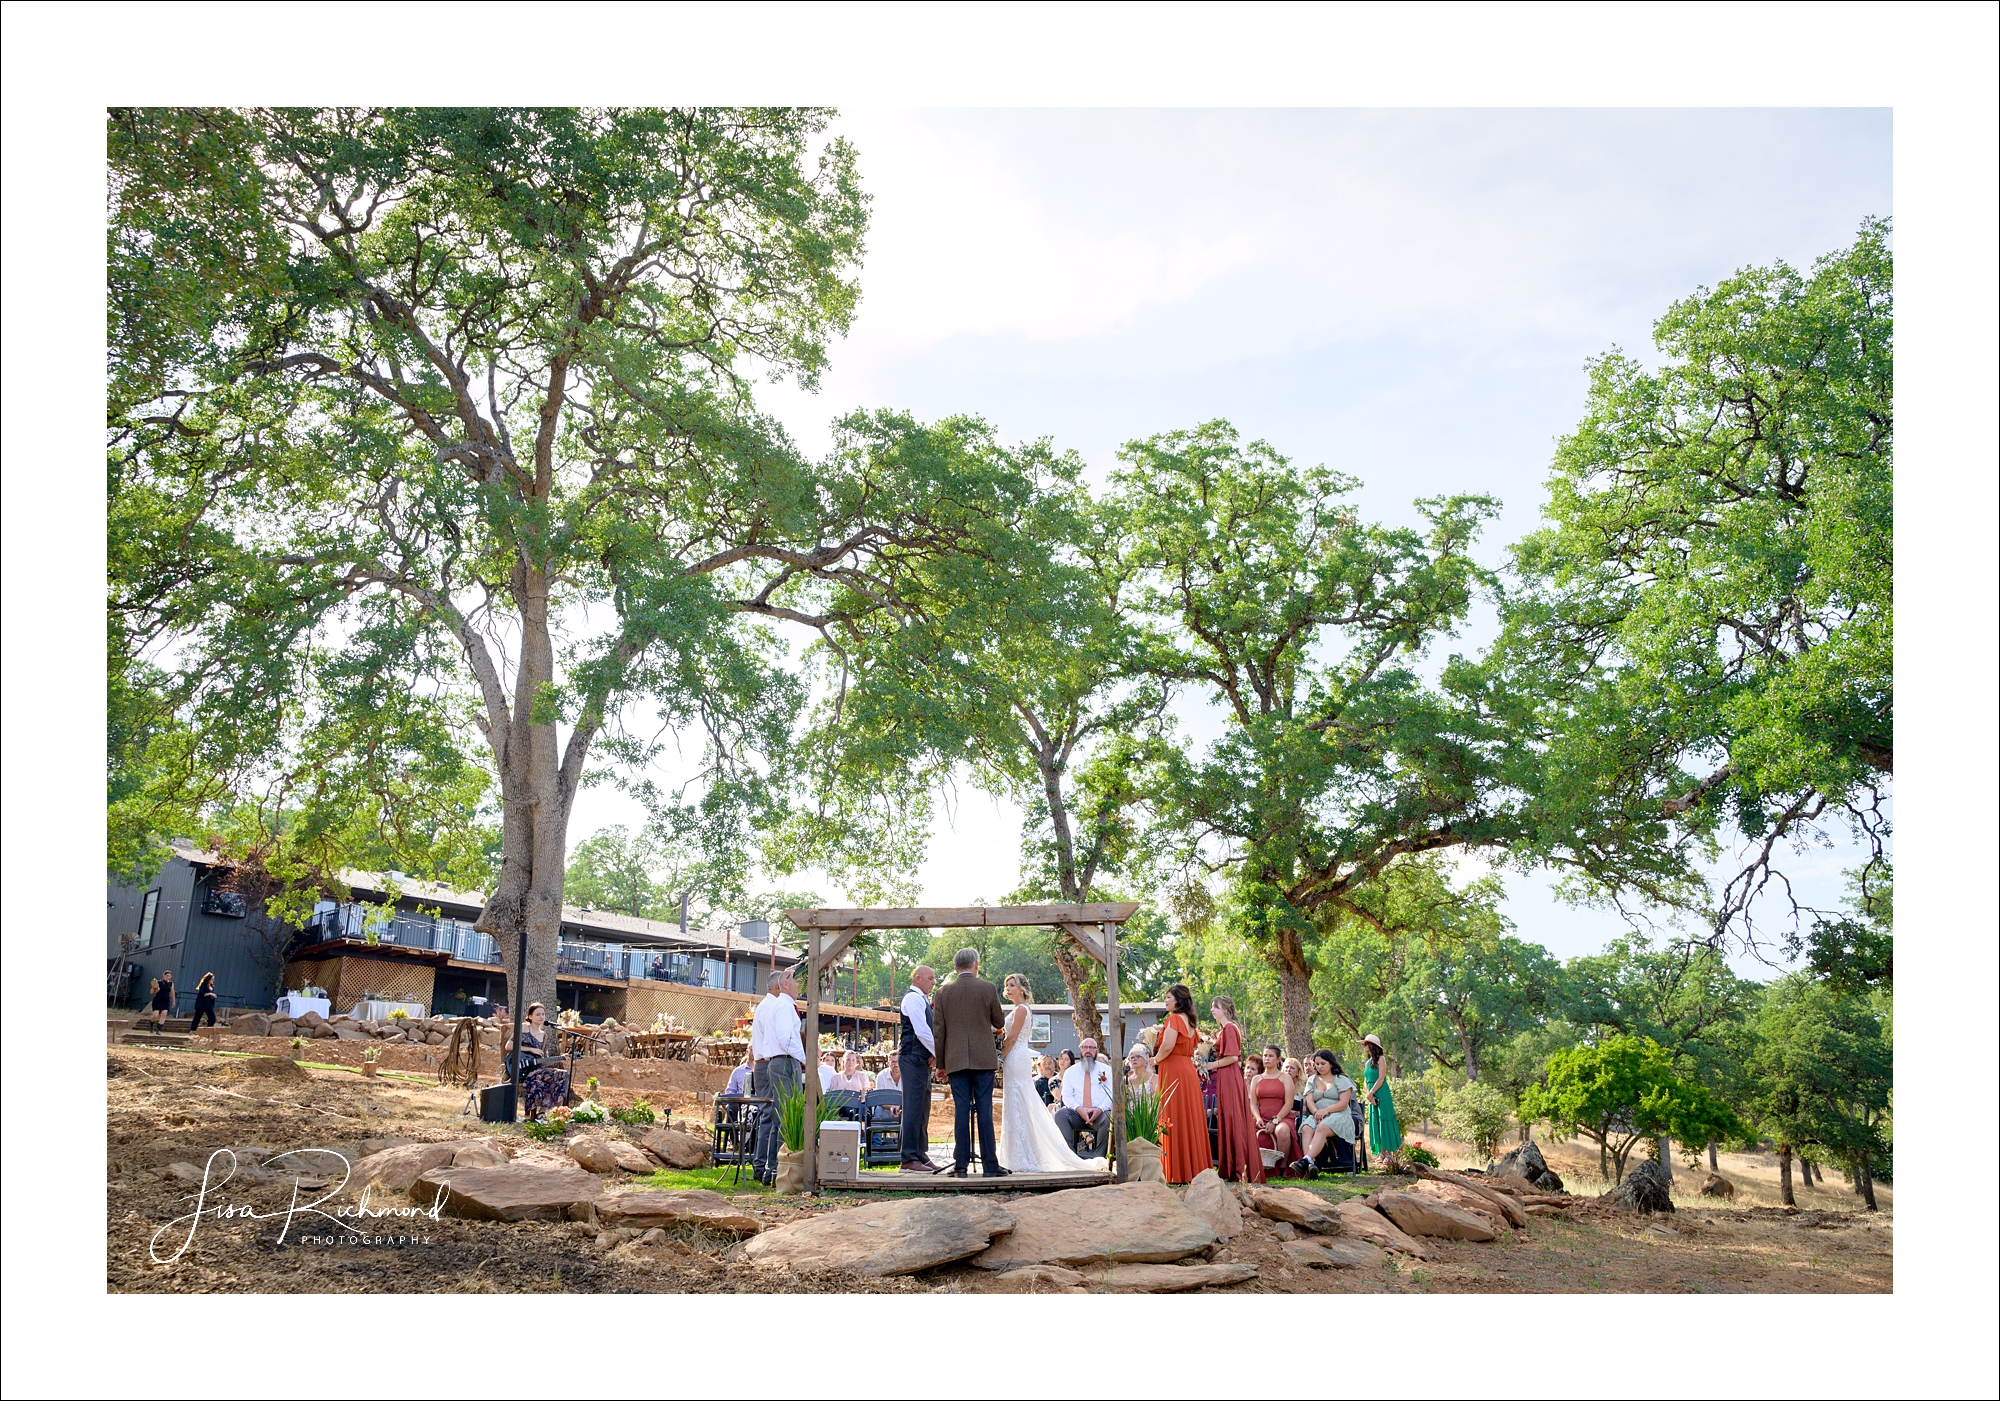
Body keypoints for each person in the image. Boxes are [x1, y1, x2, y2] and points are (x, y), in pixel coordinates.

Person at [997, 975, 1100, 1172]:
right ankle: (1020, 1152)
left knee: (1019, 1103)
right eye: (1006, 986)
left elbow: (1011, 1039)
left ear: (1022, 989)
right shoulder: (1021, 1009)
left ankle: (1024, 1155)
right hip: (1016, 1058)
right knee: (1017, 1104)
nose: (1008, 989)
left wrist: (998, 1058)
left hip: (1016, 1057)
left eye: (1012, 985)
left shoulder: (1020, 1009)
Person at [931, 947, 1009, 1178]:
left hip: (955, 1060)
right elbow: (998, 1020)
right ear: (975, 965)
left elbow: (939, 1031)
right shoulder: (988, 988)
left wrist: (941, 1064)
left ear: (955, 968)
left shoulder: (943, 993)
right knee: (985, 1109)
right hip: (983, 1059)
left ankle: (961, 1166)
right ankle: (990, 1166)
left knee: (961, 1111)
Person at [749, 965, 807, 1186]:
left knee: (779, 1117)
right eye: (796, 981)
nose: (799, 986)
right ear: (783, 985)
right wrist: (804, 1059)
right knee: (781, 1117)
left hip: (778, 1061)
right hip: (779, 1061)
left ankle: (772, 1168)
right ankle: (774, 1168)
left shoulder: (780, 1005)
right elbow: (786, 1039)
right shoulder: (780, 1006)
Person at [1152, 984, 1212, 1184]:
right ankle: (1192, 1168)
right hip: (1187, 1070)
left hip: (1174, 1070)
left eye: (1168, 997)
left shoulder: (1174, 1019)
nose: (1166, 1001)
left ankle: (1175, 1171)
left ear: (1178, 999)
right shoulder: (1190, 1022)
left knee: (1173, 1116)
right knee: (1188, 1117)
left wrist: (1155, 1060)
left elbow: (1168, 1046)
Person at [1206, 995, 1263, 1183]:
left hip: (1229, 1075)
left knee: (1232, 1118)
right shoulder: (1225, 1029)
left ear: (1226, 1009)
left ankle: (1239, 1168)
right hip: (1226, 1076)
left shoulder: (1230, 1028)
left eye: (1216, 1007)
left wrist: (1210, 1066)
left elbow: (1233, 1057)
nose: (1213, 1010)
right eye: (1212, 1007)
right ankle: (1230, 1165)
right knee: (1227, 1118)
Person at [896, 965, 939, 1173]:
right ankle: (908, 1158)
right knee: (912, 1106)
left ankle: (920, 1153)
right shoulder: (912, 999)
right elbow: (921, 1031)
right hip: (911, 1057)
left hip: (921, 1058)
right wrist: (939, 1054)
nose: (934, 982)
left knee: (923, 1106)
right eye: (930, 978)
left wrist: (931, 1054)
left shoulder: (922, 999)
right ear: (917, 978)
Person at [1294, 1049, 1357, 1176]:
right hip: (1317, 1114)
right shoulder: (1312, 1079)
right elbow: (1309, 1100)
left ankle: (1305, 1161)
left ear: (1331, 1063)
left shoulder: (1341, 1079)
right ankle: (1310, 1165)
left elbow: (1344, 1102)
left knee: (1322, 1128)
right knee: (1306, 1127)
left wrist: (1325, 1111)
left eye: (1323, 1063)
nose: (1319, 1067)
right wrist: (1317, 1112)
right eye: (1317, 1064)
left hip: (1338, 1115)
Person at [506, 1003, 571, 1120]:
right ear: (530, 1016)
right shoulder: (524, 1028)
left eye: (543, 1014)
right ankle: (534, 1113)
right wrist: (530, 1049)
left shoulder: (544, 1036)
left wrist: (560, 1057)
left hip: (537, 1070)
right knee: (539, 1078)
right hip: (521, 1069)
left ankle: (543, 1112)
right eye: (538, 1014)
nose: (541, 1017)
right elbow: (509, 1046)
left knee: (562, 1074)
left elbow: (542, 1062)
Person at [1055, 1037, 1118, 1155]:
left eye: (1092, 1048)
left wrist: (1099, 1110)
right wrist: (1079, 1109)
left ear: (1097, 1050)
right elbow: (1066, 1095)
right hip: (1077, 1113)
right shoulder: (1070, 1071)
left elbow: (1111, 1094)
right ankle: (1070, 1157)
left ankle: (1100, 1160)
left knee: (1110, 1118)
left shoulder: (1107, 1070)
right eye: (1085, 1047)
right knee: (1060, 1115)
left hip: (1099, 1114)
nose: (1088, 1050)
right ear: (1080, 1049)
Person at [1248, 1053, 1298, 1170]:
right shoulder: (1256, 1079)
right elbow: (1253, 1104)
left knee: (1282, 1130)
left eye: (1270, 1056)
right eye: (1265, 1055)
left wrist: (1275, 1120)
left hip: (1282, 1117)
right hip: (1262, 1117)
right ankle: (1252, 1165)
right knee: (1245, 1126)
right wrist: (1258, 1118)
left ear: (1278, 1059)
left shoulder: (1285, 1078)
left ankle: (1282, 1167)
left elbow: (1289, 1104)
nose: (1266, 1058)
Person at [1360, 1033, 1402, 1155]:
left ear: (1372, 1045)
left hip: (1381, 1092)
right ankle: (1381, 1153)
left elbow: (1381, 1078)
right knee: (1375, 1121)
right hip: (1371, 1094)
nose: (1363, 1046)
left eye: (1365, 1043)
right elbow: (1365, 1080)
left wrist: (1372, 1092)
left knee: (1384, 1119)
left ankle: (1388, 1153)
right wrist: (1369, 1094)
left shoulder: (1381, 1059)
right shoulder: (1368, 1062)